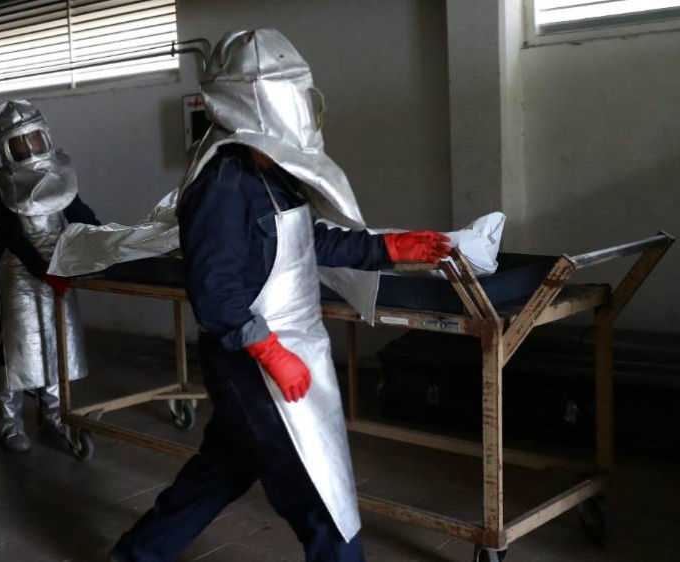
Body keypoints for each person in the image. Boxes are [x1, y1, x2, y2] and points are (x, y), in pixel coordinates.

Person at [110, 30, 450, 562]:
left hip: (291, 349)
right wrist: (268, 350)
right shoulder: (222, 182)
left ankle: (136, 555)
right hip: (254, 363)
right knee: (319, 494)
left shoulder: (272, 171)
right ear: (252, 100)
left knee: (222, 469)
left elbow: (311, 239)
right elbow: (216, 293)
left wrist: (390, 248)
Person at [0, 99, 100, 453]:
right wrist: (43, 271)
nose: (28, 147)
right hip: (21, 273)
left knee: (57, 343)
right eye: (19, 142)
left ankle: (53, 414)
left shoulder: (61, 175)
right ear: (6, 148)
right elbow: (13, 238)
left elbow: (80, 214)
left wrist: (102, 239)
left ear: (45, 135)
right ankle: (10, 422)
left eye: (33, 138)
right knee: (17, 348)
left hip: (58, 269)